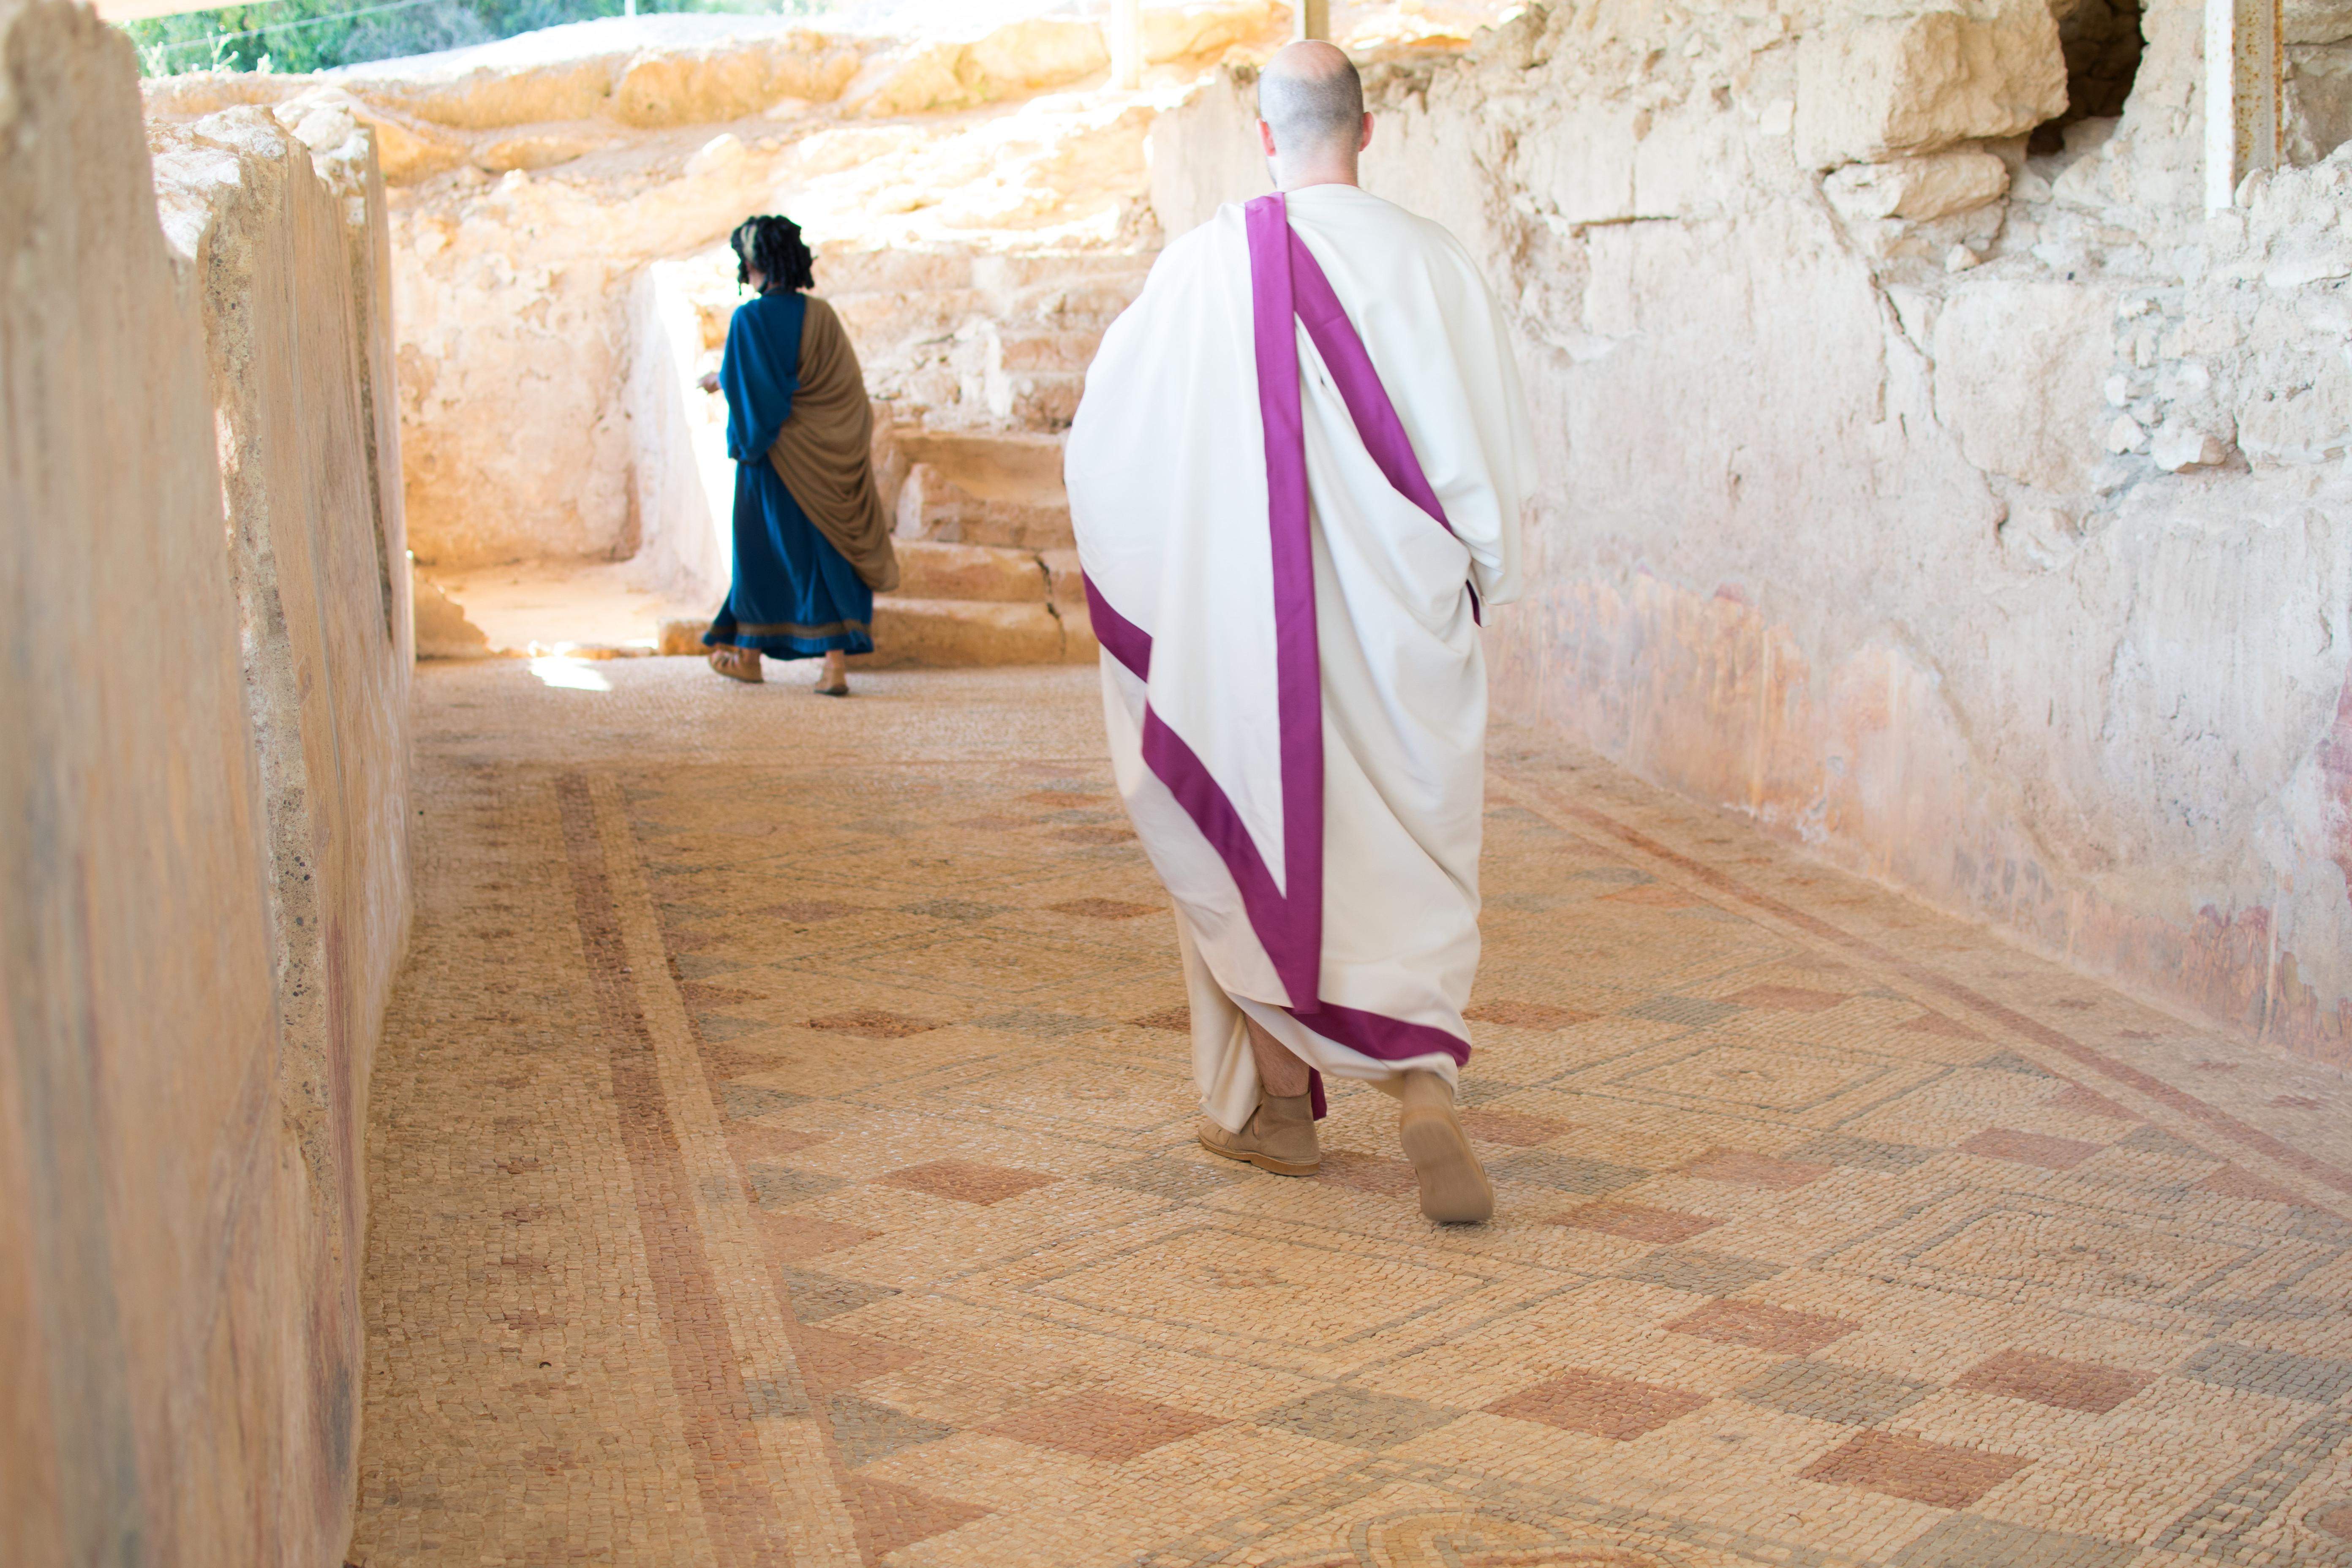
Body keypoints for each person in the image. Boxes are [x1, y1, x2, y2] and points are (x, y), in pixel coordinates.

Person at [1065, 42, 1535, 1223]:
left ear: (1264, 140)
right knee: (1398, 864)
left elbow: (1108, 445)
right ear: (1368, 132)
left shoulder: (1205, 268)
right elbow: (1489, 464)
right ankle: (1422, 1083)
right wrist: (1472, 579)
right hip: (1401, 628)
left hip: (1244, 630)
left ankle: (1281, 1115)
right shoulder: (1438, 266)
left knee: (1249, 826)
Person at [697, 215, 898, 693]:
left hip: (769, 461)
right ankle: (834, 669)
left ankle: (749, 658)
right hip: (824, 462)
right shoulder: (822, 316)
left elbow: (758, 394)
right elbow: (843, 389)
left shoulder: (748, 319)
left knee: (759, 553)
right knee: (825, 554)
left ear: (751, 262)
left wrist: (722, 384)